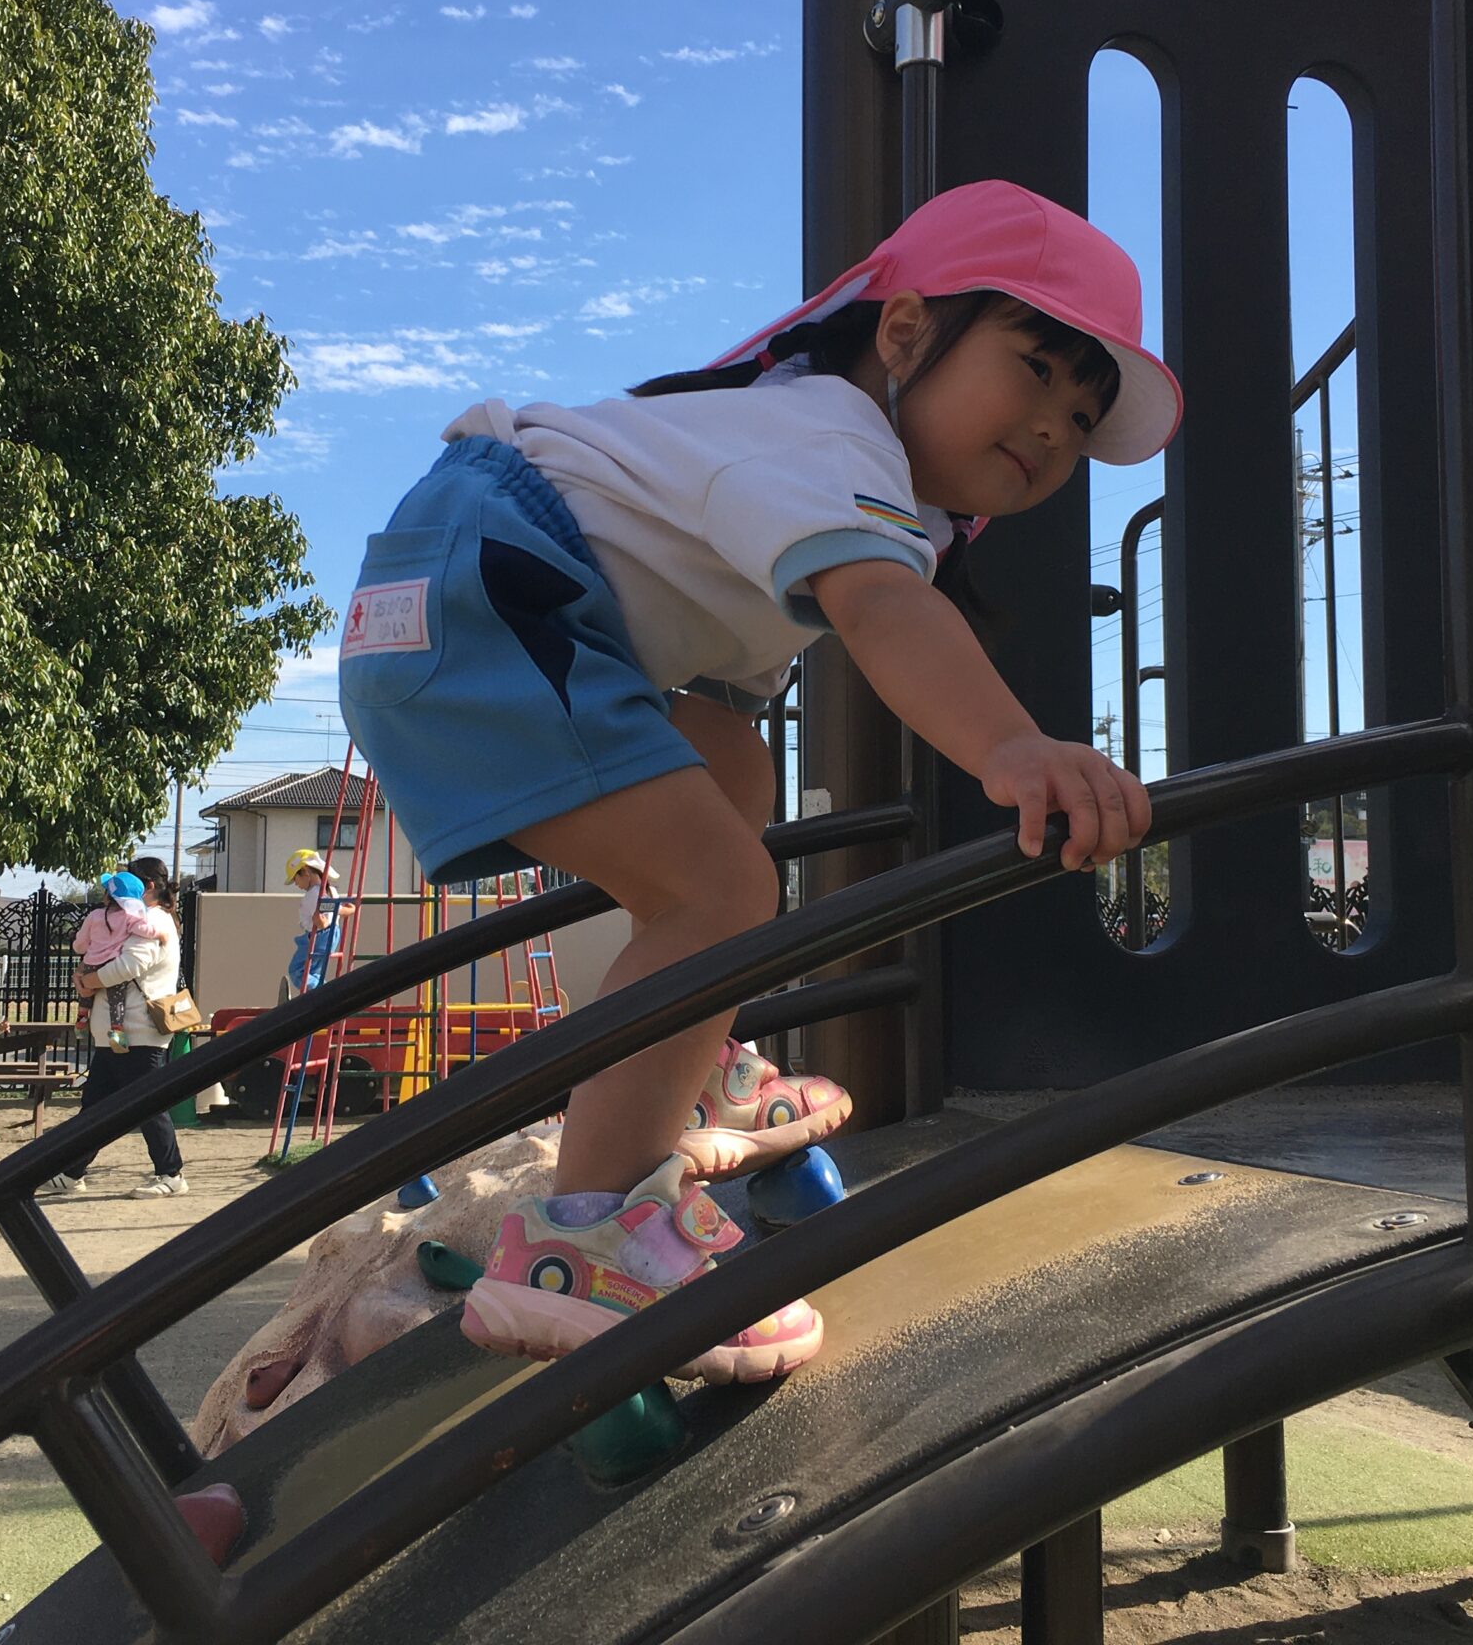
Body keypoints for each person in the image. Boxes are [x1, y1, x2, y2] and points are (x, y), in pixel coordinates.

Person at [337, 181, 1172, 1384]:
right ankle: (589, 1243)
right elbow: (883, 612)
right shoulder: (833, 436)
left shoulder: (827, 467)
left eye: (1082, 417)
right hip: (488, 584)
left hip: (497, 590)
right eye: (1035, 368)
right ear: (903, 332)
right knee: (718, 893)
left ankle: (689, 1057)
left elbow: (735, 680)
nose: (1053, 426)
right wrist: (1012, 747)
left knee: (730, 766)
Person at [41, 865, 190, 1198]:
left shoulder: (153, 919)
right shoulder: (136, 918)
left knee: (147, 1105)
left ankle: (171, 1174)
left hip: (138, 1030)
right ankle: (73, 1172)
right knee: (95, 1105)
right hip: (119, 1031)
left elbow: (130, 965)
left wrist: (88, 981)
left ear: (146, 886)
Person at [283, 848, 358, 994]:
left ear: (305, 872)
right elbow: (335, 908)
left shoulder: (313, 894)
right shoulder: (330, 890)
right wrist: (350, 909)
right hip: (332, 935)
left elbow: (322, 914)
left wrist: (322, 923)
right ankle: (321, 993)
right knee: (313, 972)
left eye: (295, 879)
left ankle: (326, 992)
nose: (296, 884)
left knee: (297, 970)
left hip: (319, 936)